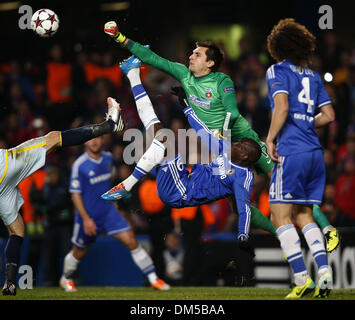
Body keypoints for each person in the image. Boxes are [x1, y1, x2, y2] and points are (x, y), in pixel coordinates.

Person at [103, 21, 340, 250]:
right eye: (192, 52)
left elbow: (233, 113)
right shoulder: (184, 75)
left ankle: (327, 228)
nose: (191, 56)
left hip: (246, 144)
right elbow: (153, 58)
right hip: (220, 147)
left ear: (210, 62)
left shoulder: (221, 81)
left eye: (197, 54)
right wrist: (119, 37)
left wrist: (221, 135)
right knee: (237, 204)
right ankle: (281, 236)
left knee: (286, 186)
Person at [101, 57, 260, 256]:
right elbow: (202, 131)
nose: (235, 143)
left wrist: (243, 235)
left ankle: (128, 185)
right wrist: (185, 105)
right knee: (157, 130)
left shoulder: (243, 177)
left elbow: (244, 208)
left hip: (180, 191)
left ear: (244, 156)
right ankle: (133, 74)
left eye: (240, 144)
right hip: (183, 178)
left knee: (166, 140)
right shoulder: (225, 149)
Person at [0, 96, 124, 295]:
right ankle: (110, 125)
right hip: (2, 169)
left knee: (17, 231)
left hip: (3, 189)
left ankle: (10, 282)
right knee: (54, 138)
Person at [265, 18, 335, 299]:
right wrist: (306, 122)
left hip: (291, 152)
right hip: (315, 154)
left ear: (277, 47)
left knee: (279, 216)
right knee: (304, 214)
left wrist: (270, 138)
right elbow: (329, 115)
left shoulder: (277, 70)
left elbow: (281, 106)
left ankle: (301, 278)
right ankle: (326, 274)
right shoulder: (313, 76)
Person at [59, 134, 170, 292]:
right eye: (90, 138)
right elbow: (75, 194)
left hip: (108, 213)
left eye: (97, 137)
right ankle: (65, 278)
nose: (94, 141)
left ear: (102, 140)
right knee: (79, 251)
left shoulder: (108, 158)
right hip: (89, 216)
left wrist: (115, 201)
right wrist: (85, 219)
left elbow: (110, 182)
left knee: (131, 240)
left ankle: (154, 279)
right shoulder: (80, 165)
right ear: (85, 142)